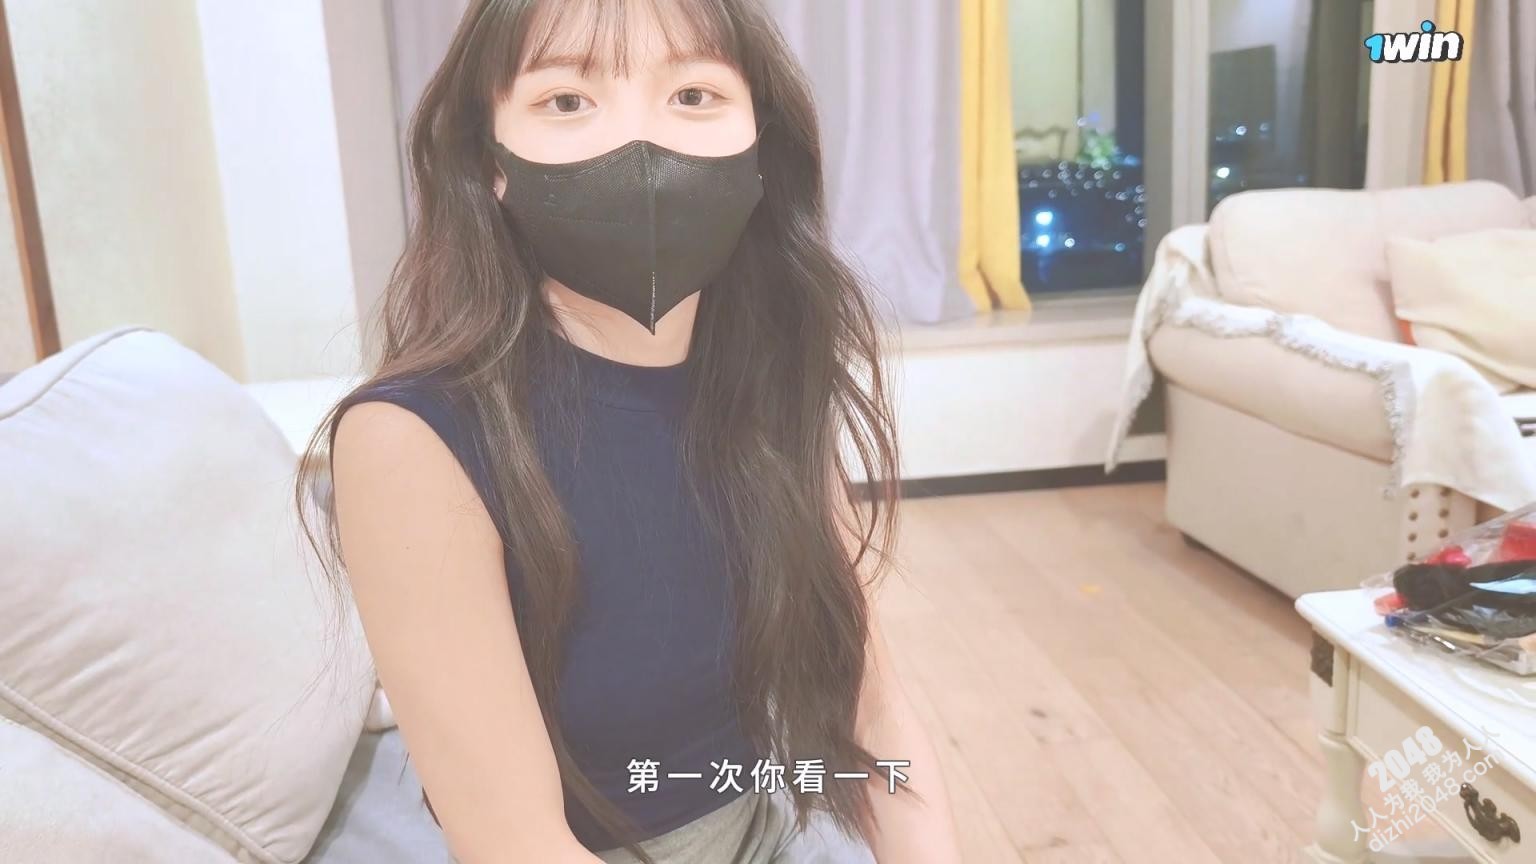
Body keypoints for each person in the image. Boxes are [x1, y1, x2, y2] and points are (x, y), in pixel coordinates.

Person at [304, 0, 963, 861]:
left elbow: (875, 719)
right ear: (491, 160)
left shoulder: (766, 382)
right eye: (566, 101)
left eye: (693, 95)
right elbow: (514, 840)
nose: (640, 146)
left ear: (758, 144)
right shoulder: (412, 439)